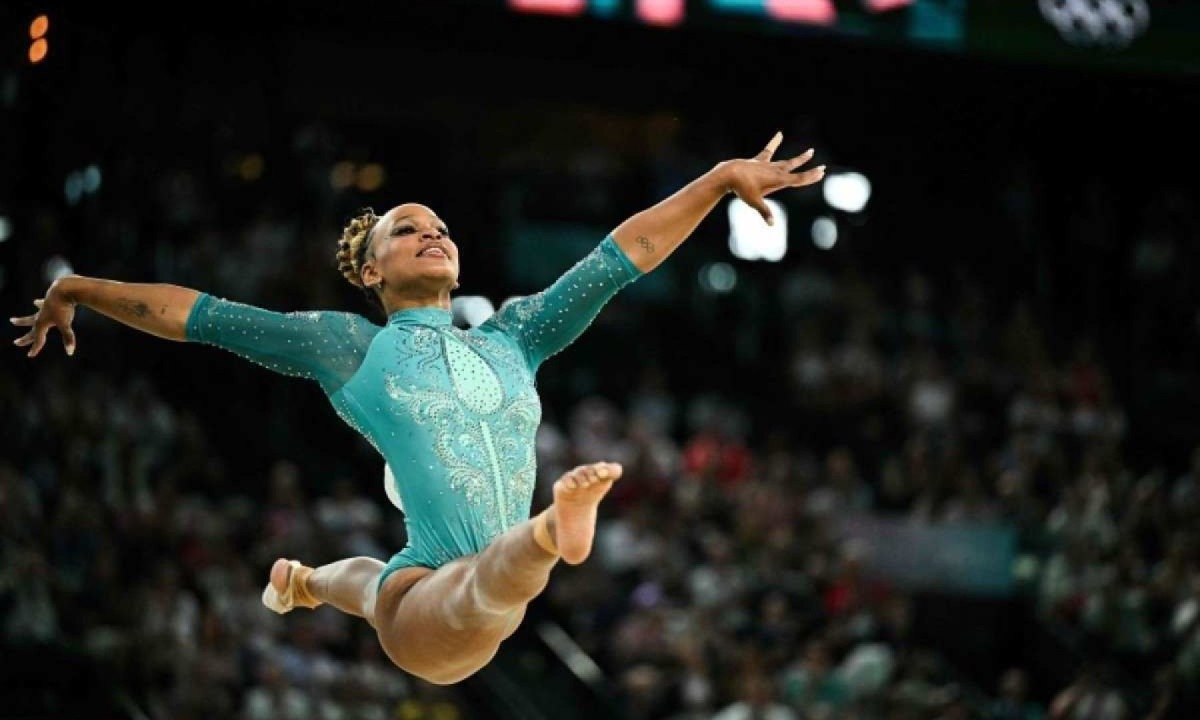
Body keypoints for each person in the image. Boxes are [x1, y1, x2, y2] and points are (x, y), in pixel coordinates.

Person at [11, 132, 824, 684]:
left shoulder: (513, 336)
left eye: (439, 227)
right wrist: (79, 288)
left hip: (424, 587)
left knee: (374, 587)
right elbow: (199, 315)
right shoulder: (350, 348)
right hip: (435, 613)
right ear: (370, 273)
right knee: (476, 586)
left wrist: (718, 181)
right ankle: (550, 532)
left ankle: (303, 581)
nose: (432, 234)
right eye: (406, 232)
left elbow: (620, 258)